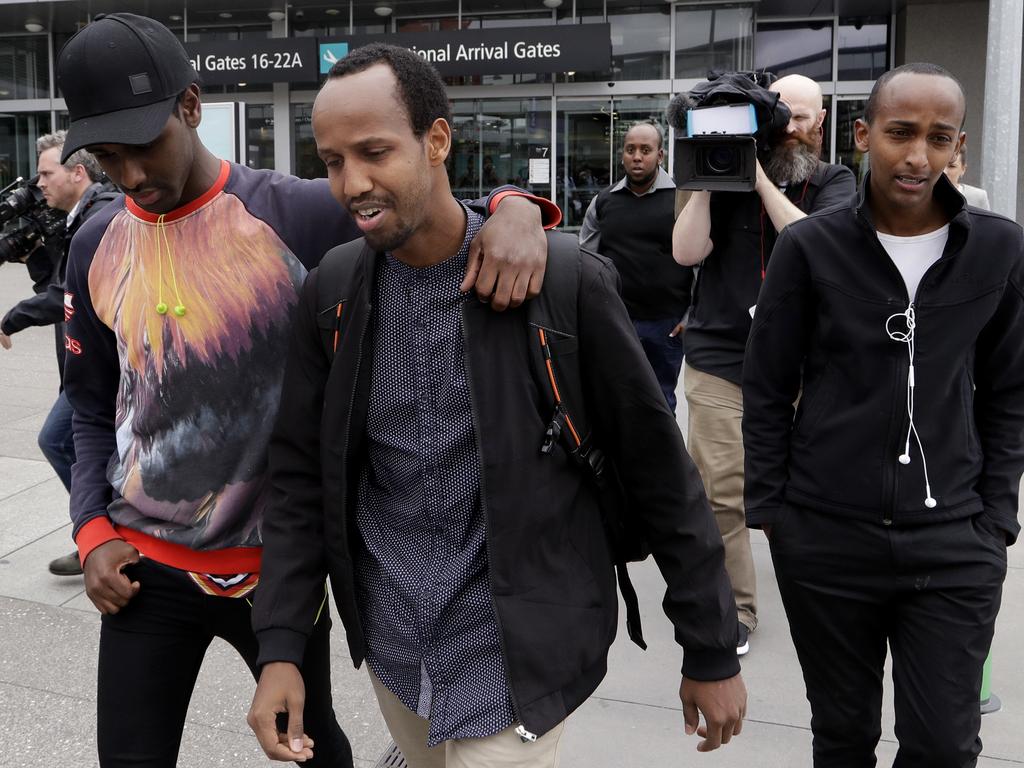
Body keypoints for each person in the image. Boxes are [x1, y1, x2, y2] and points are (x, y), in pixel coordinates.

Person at [57, 14, 553, 768]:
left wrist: (520, 208)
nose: (129, 175)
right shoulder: (94, 243)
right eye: (105, 156)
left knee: (315, 752)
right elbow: (90, 406)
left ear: (191, 106)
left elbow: (429, 210)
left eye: (143, 145)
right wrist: (91, 530)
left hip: (282, 573)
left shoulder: (299, 213)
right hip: (145, 572)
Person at [248, 43, 746, 768]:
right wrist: (282, 646)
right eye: (331, 161)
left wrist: (710, 646)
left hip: (515, 651)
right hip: (395, 648)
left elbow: (660, 472)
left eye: (375, 152)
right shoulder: (332, 291)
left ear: (437, 140)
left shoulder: (562, 283)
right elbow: (297, 478)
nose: (352, 182)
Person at [743, 62, 1022, 765]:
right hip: (826, 539)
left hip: (954, 541)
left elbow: (1009, 389)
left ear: (959, 148)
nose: (918, 156)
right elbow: (769, 385)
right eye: (901, 133)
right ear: (864, 136)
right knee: (843, 738)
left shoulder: (999, 248)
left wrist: (995, 518)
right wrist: (775, 511)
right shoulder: (810, 246)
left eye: (939, 138)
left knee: (944, 745)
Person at [672, 74, 857, 655]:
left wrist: (756, 180)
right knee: (720, 492)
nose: (789, 128)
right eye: (779, 117)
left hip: (807, 366)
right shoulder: (717, 175)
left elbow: (820, 246)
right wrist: (707, 179)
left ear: (820, 123)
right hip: (720, 358)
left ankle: (825, 595)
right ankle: (737, 610)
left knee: (812, 490)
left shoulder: (836, 181)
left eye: (800, 118)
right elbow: (685, 253)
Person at [0, 131, 117, 576]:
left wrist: (10, 318)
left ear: (78, 172)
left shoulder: (99, 217)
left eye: (47, 173)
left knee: (57, 439)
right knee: (91, 448)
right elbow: (53, 281)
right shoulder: (76, 217)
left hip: (100, 366)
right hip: (86, 364)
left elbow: (64, 295)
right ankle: (99, 529)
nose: (40, 183)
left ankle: (100, 529)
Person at [578, 121, 692, 412]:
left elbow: (700, 263)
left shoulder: (682, 199)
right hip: (616, 320)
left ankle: (661, 458)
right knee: (615, 399)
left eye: (645, 150)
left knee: (660, 403)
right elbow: (586, 261)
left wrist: (690, 315)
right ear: (622, 155)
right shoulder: (603, 202)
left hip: (666, 325)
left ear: (660, 155)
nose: (637, 157)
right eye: (631, 150)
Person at [944, 144, 991, 209]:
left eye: (952, 166)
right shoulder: (925, 196)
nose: (944, 171)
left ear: (963, 169)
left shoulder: (977, 197)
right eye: (941, 166)